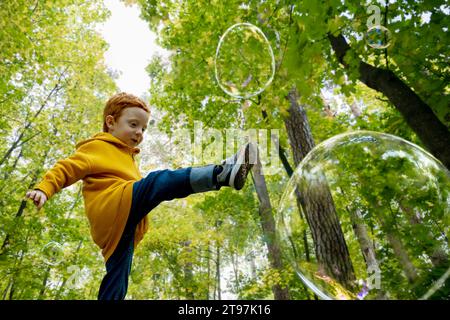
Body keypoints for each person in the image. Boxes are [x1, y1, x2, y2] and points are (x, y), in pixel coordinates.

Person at [25, 92, 256, 300]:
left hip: (119, 230)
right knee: (158, 181)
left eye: (144, 129)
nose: (139, 133)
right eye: (133, 124)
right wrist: (44, 188)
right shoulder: (96, 147)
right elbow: (67, 168)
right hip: (113, 205)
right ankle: (221, 174)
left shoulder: (129, 159)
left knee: (117, 281)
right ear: (111, 122)